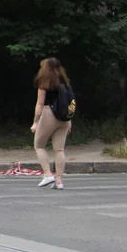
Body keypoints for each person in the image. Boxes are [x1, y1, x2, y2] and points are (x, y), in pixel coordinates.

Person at [31, 57, 72, 190]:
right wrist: (69, 121)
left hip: (49, 114)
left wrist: (35, 123)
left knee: (39, 146)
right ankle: (59, 181)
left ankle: (48, 174)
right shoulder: (65, 82)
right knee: (59, 150)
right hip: (64, 117)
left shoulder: (44, 82)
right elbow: (69, 102)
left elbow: (40, 103)